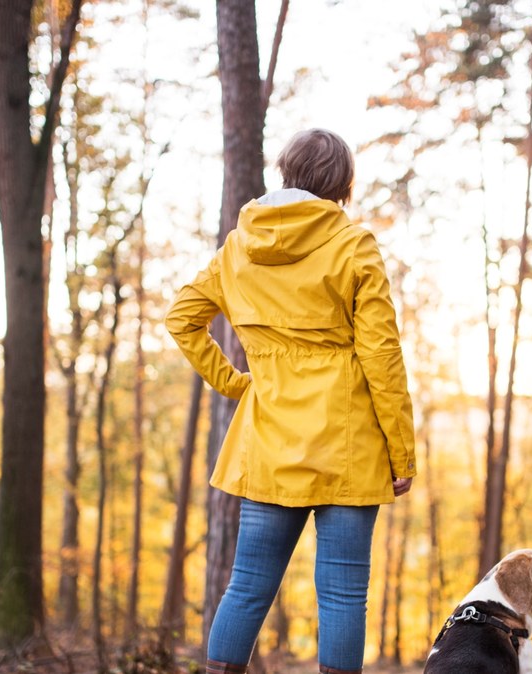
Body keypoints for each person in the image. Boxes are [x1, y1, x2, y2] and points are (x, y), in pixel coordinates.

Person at [165, 128, 417, 674]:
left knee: (248, 587)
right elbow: (382, 356)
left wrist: (237, 383)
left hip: (270, 441)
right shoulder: (354, 245)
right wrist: (402, 453)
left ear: (286, 172)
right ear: (342, 184)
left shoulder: (239, 246)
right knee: (344, 596)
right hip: (348, 447)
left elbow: (181, 319)